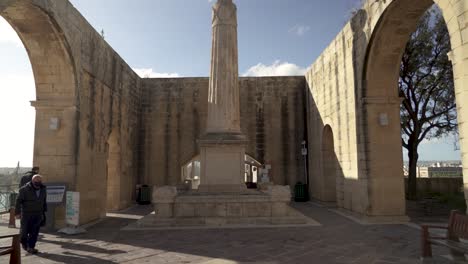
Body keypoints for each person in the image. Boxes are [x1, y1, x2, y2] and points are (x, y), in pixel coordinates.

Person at [15, 174, 47, 254]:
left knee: (35, 232)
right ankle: (24, 244)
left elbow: (44, 200)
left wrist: (44, 212)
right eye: (36, 181)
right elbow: (18, 201)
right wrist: (17, 213)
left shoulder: (43, 189)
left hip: (38, 213)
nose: (38, 182)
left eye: (40, 181)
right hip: (26, 214)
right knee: (24, 231)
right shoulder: (24, 189)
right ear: (32, 181)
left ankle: (31, 247)